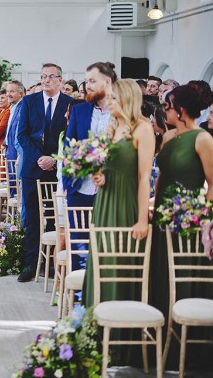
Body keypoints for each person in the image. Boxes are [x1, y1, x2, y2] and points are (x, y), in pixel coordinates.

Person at [149, 85, 213, 371]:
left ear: (181, 110)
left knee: (183, 276)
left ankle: (187, 347)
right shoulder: (170, 136)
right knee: (161, 272)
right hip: (162, 216)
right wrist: (152, 207)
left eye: (168, 107)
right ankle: (159, 340)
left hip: (188, 221)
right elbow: (162, 176)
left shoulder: (203, 139)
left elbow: (212, 184)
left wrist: (201, 216)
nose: (164, 111)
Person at [83, 79, 155, 307]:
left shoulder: (143, 129)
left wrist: (143, 219)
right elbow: (105, 167)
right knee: (102, 259)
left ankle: (120, 331)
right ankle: (96, 324)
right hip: (104, 202)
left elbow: (144, 177)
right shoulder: (111, 127)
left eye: (113, 97)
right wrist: (99, 175)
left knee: (118, 260)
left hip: (125, 204)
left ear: (127, 99)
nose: (107, 102)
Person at [16, 63, 73, 282]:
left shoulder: (70, 104)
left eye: (50, 77)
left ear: (60, 79)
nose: (46, 80)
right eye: (43, 76)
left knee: (55, 218)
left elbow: (71, 137)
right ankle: (31, 263)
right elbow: (22, 135)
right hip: (33, 167)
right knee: (32, 217)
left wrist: (54, 159)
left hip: (57, 169)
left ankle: (52, 263)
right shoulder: (29, 101)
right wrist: (40, 158)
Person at [64, 62, 116, 270]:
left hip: (111, 189)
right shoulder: (80, 111)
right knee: (79, 242)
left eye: (92, 81)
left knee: (106, 244)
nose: (87, 86)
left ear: (107, 82)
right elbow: (69, 147)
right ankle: (79, 296)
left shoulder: (121, 111)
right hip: (80, 187)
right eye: (86, 82)